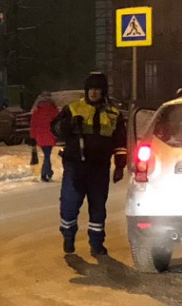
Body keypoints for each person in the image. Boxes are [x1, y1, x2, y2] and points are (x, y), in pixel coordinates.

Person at [51, 72, 123, 256]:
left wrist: (120, 165)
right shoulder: (73, 108)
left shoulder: (114, 114)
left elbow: (120, 142)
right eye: (90, 89)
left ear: (103, 91)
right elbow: (55, 128)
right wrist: (69, 124)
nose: (93, 92)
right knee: (69, 204)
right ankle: (68, 236)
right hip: (76, 166)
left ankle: (97, 243)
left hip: (99, 168)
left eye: (97, 89)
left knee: (98, 207)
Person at [28, 92, 59, 182]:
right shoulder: (54, 109)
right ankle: (45, 173)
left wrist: (32, 137)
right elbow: (58, 123)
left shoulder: (37, 111)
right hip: (51, 135)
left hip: (40, 136)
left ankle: (48, 172)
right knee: (47, 155)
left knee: (47, 155)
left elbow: (33, 125)